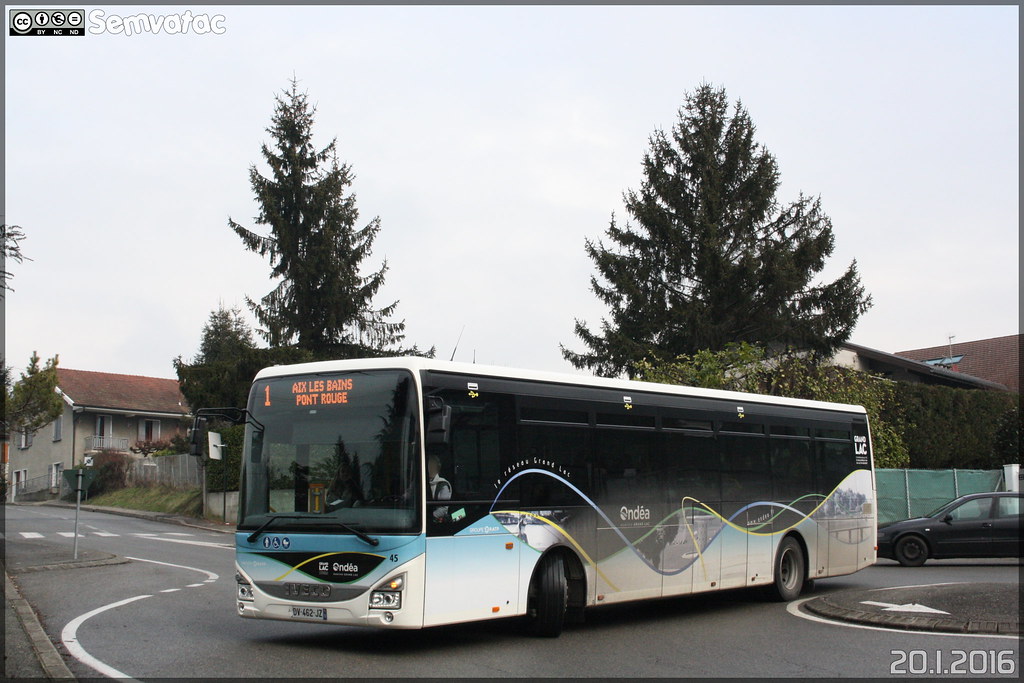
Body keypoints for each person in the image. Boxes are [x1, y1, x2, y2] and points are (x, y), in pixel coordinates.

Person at [427, 454, 451, 521]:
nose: (431, 469)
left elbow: (444, 508)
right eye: (429, 466)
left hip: (435, 520)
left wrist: (431, 516)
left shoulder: (442, 484)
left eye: (433, 467)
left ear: (438, 469)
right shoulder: (420, 481)